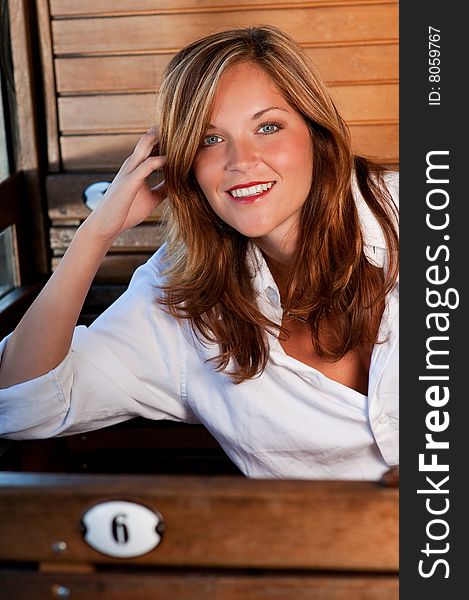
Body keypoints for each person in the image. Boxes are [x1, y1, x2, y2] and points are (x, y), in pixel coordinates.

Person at [0, 25, 399, 480]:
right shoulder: (179, 298)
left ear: (316, 132)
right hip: (313, 548)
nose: (240, 160)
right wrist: (96, 233)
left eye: (268, 127)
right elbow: (19, 404)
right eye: (210, 139)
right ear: (182, 161)